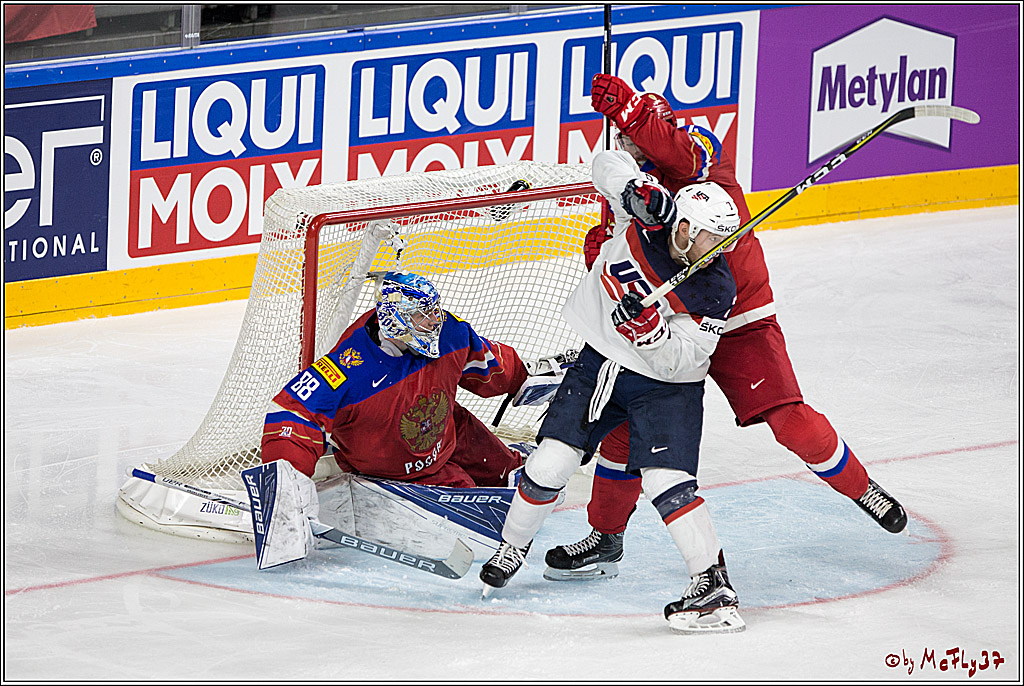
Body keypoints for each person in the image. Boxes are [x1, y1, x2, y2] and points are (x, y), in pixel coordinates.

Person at [543, 74, 907, 583]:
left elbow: (682, 156)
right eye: (623, 138)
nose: (629, 144)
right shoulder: (629, 184)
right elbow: (607, 253)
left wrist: (631, 111)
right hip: (668, 328)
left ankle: (860, 487)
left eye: (635, 133)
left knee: (787, 416)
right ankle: (606, 536)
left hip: (740, 320)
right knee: (622, 435)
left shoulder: (702, 150)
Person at [480, 147, 747, 634]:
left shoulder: (716, 285)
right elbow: (606, 161)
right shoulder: (645, 217)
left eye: (724, 239)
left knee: (667, 483)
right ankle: (513, 546)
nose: (717, 248)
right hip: (600, 362)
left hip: (665, 388)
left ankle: (712, 586)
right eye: (709, 235)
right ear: (682, 226)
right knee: (547, 465)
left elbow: (691, 360)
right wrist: (634, 190)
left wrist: (653, 334)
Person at [261, 271, 529, 488]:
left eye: (434, 310)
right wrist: (286, 485)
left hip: (448, 434)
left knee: (512, 474)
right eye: (421, 314)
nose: (435, 321)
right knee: (471, 503)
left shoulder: (450, 332)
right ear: (394, 319)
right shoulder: (347, 367)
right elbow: (293, 414)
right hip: (390, 468)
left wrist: (523, 379)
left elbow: (487, 363)